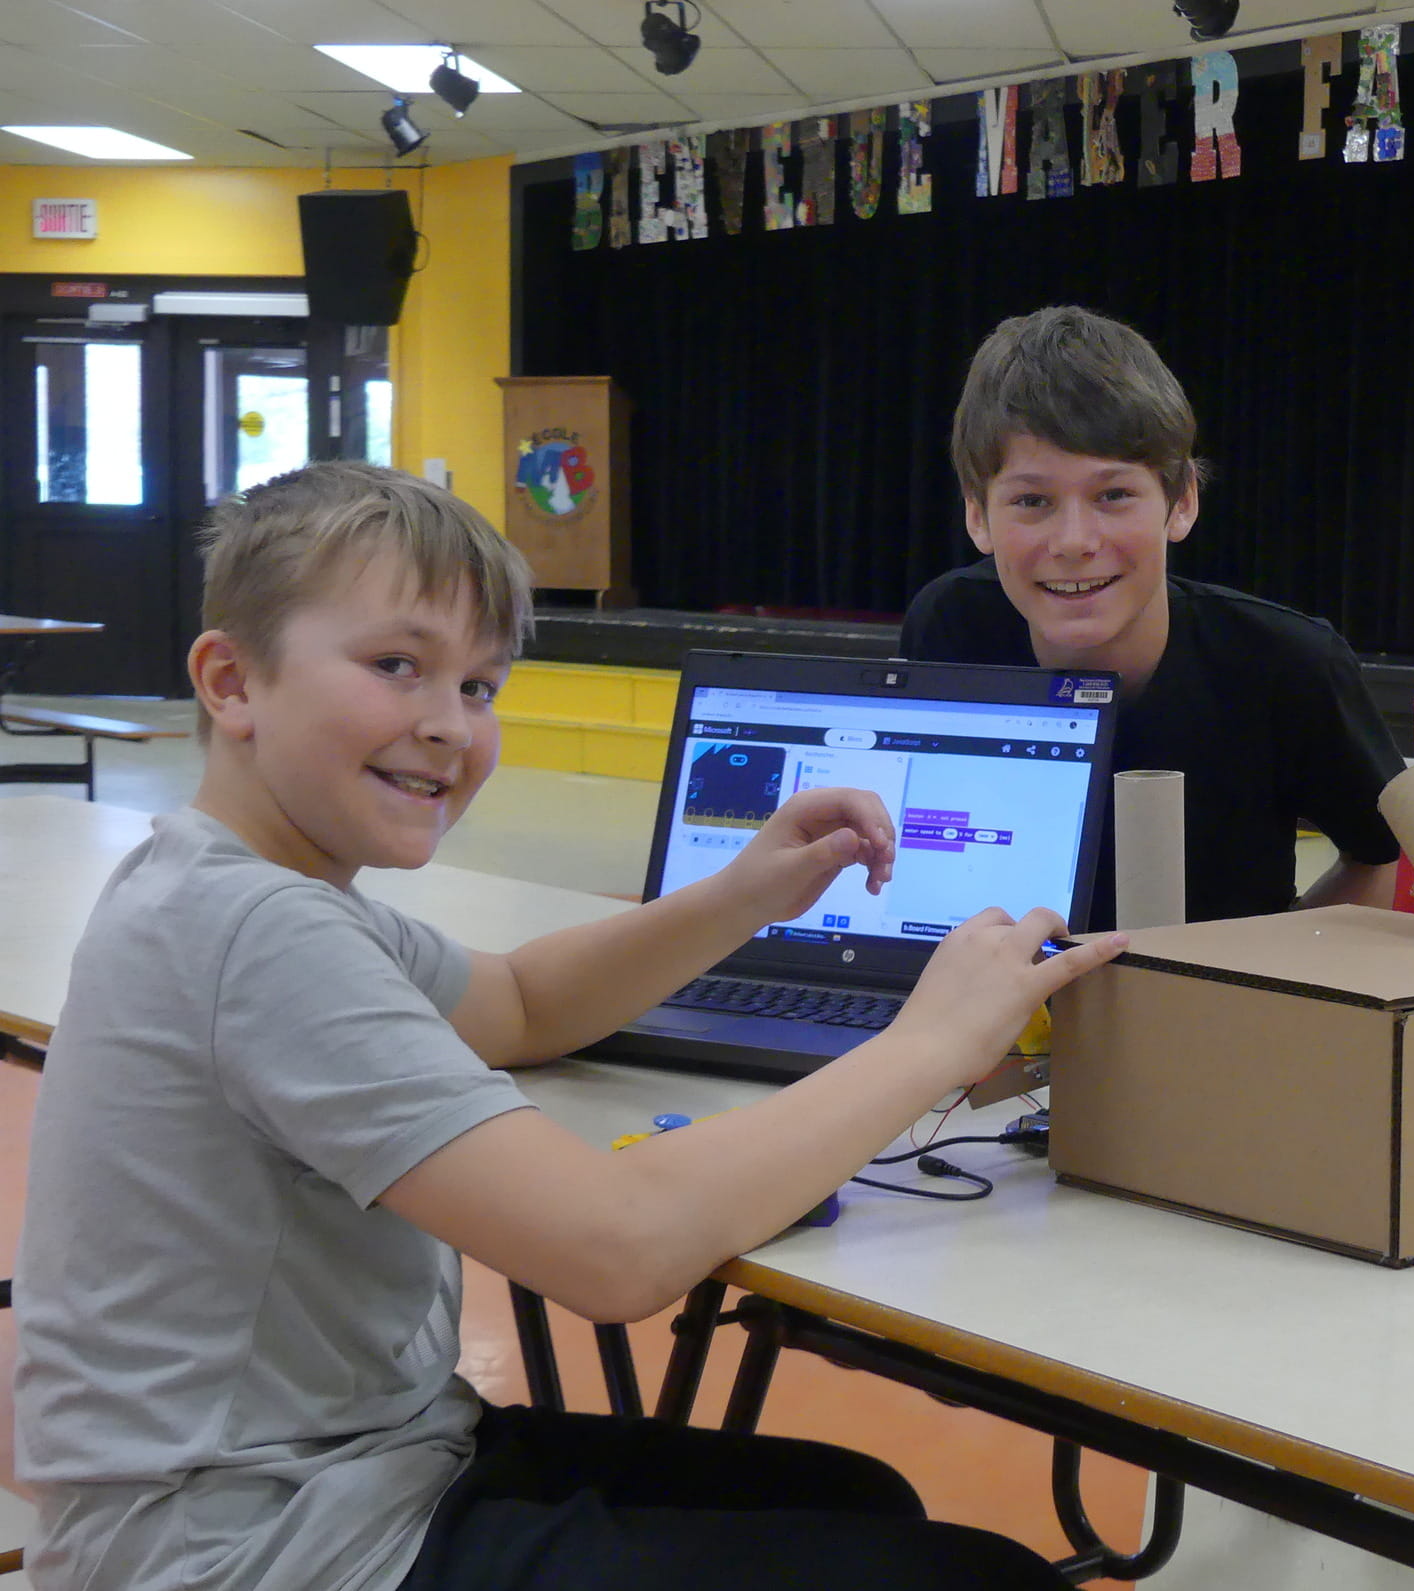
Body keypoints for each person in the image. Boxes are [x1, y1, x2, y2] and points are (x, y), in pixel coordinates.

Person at [11, 461, 1125, 1591]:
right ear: (231, 680)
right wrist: (933, 1041)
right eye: (397, 666)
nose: (448, 727)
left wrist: (744, 891)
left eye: (480, 687)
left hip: (362, 1466)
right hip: (255, 1551)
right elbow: (616, 1247)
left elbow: (524, 1005)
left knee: (855, 1499)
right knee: (976, 1580)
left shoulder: (240, 884)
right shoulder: (256, 933)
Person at [900, 305, 1406, 930]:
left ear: (1182, 501)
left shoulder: (1289, 662)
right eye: (1033, 501)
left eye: (1113, 495)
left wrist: (1257, 983)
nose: (1075, 540)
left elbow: (1381, 855)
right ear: (978, 515)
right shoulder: (948, 626)